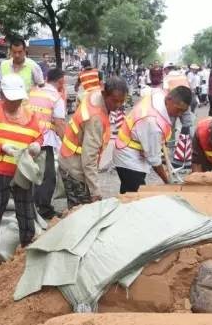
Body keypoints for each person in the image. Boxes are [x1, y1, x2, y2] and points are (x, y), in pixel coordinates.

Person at [0, 74, 43, 273]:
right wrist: (1, 147)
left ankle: (26, 256)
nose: (14, 103)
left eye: (17, 99)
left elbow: (38, 136)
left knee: (26, 216)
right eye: (10, 99)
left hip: (21, 174)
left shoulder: (30, 116)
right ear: (2, 95)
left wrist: (36, 146)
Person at [59, 77, 128, 208]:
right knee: (81, 213)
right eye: (115, 101)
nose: (118, 105)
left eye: (122, 101)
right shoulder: (95, 118)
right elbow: (89, 159)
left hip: (69, 159)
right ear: (104, 94)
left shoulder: (93, 94)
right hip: (75, 168)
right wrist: (95, 191)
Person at [113, 86, 191, 193]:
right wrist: (167, 180)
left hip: (133, 150)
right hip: (129, 158)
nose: (179, 114)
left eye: (183, 111)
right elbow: (154, 160)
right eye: (178, 109)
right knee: (136, 196)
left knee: (128, 191)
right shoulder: (152, 122)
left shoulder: (158, 94)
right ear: (169, 99)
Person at [27, 68, 67, 219]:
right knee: (47, 176)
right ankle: (43, 209)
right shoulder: (56, 97)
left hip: (27, 138)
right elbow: (60, 123)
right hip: (44, 140)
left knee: (29, 172)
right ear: (61, 81)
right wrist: (66, 143)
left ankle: (29, 204)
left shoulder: (34, 91)